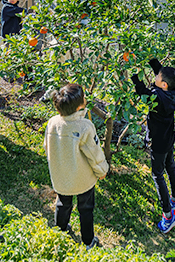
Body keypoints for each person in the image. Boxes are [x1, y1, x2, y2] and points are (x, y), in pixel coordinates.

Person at [44, 83, 109, 249]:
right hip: (82, 179)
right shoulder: (84, 126)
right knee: (85, 209)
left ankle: (61, 231)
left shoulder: (52, 123)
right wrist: (102, 170)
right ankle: (88, 241)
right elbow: (94, 154)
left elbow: (47, 146)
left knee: (62, 204)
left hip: (60, 176)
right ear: (80, 105)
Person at [131, 58, 175, 234]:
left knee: (157, 175)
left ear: (163, 84)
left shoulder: (157, 99)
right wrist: (152, 60)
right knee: (171, 166)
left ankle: (168, 216)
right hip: (169, 137)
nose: (156, 74)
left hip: (159, 142)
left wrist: (134, 75)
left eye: (158, 76)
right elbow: (161, 72)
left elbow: (141, 91)